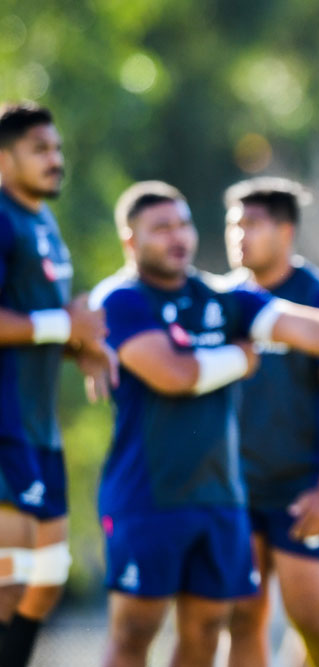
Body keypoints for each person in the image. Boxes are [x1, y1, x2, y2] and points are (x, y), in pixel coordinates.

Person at [90, 181, 319, 667]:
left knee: (212, 630)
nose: (177, 236)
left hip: (225, 502)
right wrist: (238, 357)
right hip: (150, 497)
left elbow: (310, 329)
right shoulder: (123, 301)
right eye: (160, 228)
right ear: (130, 241)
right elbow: (176, 374)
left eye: (182, 223)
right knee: (137, 632)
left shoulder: (224, 299)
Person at [221, 178, 319, 667]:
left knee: (314, 619)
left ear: (285, 232)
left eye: (251, 225)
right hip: (238, 490)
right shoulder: (227, 300)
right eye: (233, 225)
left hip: (303, 487)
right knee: (242, 618)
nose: (238, 235)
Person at [0, 102, 113, 667]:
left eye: (58, 149)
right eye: (40, 150)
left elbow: (38, 319)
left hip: (39, 430)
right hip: (5, 427)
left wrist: (81, 346)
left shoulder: (42, 221)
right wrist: (64, 325)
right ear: (4, 158)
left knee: (46, 580)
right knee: (9, 584)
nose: (55, 160)